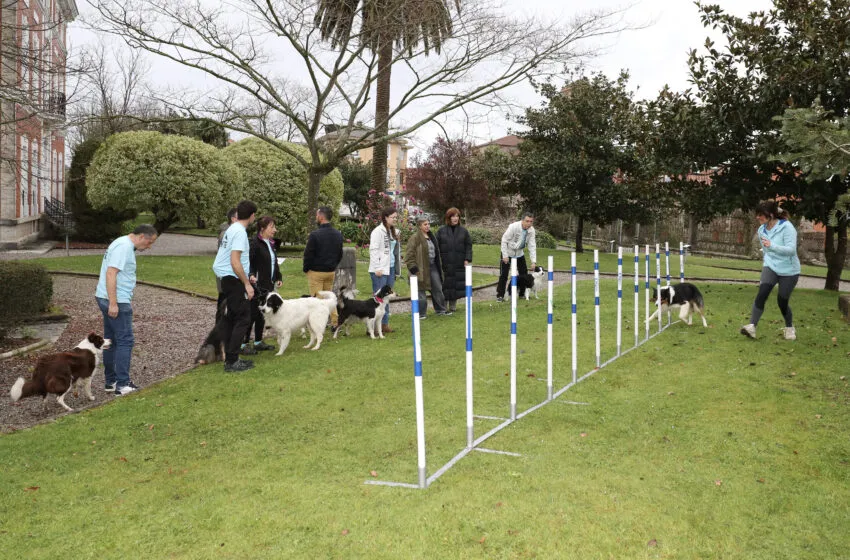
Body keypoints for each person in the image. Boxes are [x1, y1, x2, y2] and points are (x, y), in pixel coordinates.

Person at [95, 224, 159, 395]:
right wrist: (114, 303)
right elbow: (111, 273)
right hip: (117, 300)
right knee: (125, 340)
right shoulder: (124, 247)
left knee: (110, 340)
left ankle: (111, 381)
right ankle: (122, 384)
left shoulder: (121, 242)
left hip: (104, 297)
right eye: (149, 242)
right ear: (141, 237)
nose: (149, 246)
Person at [740, 200, 801, 341]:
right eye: (757, 214)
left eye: (761, 215)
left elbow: (791, 250)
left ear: (771, 215)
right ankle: (752, 327)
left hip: (789, 270)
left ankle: (790, 327)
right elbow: (767, 250)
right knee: (762, 293)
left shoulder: (787, 227)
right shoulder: (761, 230)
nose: (758, 217)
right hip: (771, 266)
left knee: (782, 301)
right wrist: (768, 257)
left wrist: (772, 246)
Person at [212, 200, 258, 372]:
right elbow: (235, 261)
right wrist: (246, 283)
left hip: (229, 278)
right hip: (233, 279)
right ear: (252, 215)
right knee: (243, 318)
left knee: (233, 317)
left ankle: (232, 358)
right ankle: (232, 361)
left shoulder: (233, 228)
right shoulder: (239, 232)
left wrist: (247, 277)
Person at [243, 215, 282, 354]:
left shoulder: (270, 243)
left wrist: (278, 276)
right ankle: (244, 343)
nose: (275, 230)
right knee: (252, 314)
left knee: (262, 314)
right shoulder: (254, 243)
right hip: (256, 285)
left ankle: (258, 341)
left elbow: (274, 262)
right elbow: (248, 262)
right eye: (272, 227)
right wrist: (251, 275)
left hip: (268, 285)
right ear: (262, 228)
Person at [303, 206, 344, 327]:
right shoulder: (337, 234)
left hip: (316, 272)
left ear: (321, 217)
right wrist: (333, 265)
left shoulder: (315, 235)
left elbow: (308, 254)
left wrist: (306, 269)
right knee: (330, 298)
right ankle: (335, 322)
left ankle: (319, 324)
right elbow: (339, 253)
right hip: (330, 271)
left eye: (316, 215)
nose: (316, 217)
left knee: (317, 301)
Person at [405, 215, 448, 318]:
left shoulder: (432, 237)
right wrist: (413, 268)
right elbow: (409, 254)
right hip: (420, 268)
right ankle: (421, 313)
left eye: (428, 224)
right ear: (420, 226)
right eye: (425, 224)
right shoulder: (414, 238)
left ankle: (441, 310)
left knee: (437, 288)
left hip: (433, 267)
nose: (428, 226)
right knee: (420, 291)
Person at [368, 207, 402, 332]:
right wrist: (377, 267)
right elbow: (374, 250)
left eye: (396, 217)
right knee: (378, 298)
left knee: (387, 297)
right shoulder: (378, 231)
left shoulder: (395, 231)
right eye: (393, 217)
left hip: (391, 268)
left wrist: (397, 269)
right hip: (380, 269)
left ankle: (384, 324)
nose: (395, 219)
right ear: (386, 217)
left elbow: (396, 251)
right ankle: (371, 327)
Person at [436, 207, 473, 313]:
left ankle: (453, 306)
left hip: (459, 262)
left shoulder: (464, 231)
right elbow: (436, 246)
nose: (455, 218)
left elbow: (468, 246)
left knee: (456, 284)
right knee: (445, 284)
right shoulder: (441, 231)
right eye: (453, 216)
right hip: (445, 263)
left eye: (457, 216)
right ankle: (443, 306)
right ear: (449, 217)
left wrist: (467, 259)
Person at [496, 212, 537, 302]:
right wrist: (505, 255)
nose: (529, 223)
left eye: (531, 221)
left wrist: (533, 261)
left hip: (519, 253)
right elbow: (504, 240)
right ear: (522, 220)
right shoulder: (513, 226)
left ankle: (522, 294)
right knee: (504, 274)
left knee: (524, 274)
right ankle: (500, 296)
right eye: (527, 221)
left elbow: (532, 245)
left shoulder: (531, 231)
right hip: (507, 252)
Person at [215, 207, 238, 321]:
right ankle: (219, 332)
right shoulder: (226, 234)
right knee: (223, 305)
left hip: (229, 275)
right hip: (226, 275)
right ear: (233, 219)